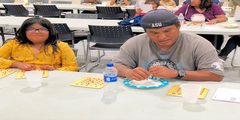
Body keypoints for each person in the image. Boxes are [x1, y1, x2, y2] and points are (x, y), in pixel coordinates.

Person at [112, 9, 224, 81]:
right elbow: (115, 66)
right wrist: (128, 72)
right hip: (145, 92)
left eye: (167, 31)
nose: (162, 37)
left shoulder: (199, 44)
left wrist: (175, 73)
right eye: (154, 33)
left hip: (183, 93)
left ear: (178, 26)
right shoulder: (135, 42)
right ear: (146, 32)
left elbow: (216, 75)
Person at [0, 17, 79, 71]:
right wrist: (16, 64)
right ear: (24, 31)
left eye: (42, 29)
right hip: (17, 80)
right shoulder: (13, 44)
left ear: (50, 32)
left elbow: (73, 67)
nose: (37, 32)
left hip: (50, 81)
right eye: (31, 29)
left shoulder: (61, 46)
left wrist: (55, 69)